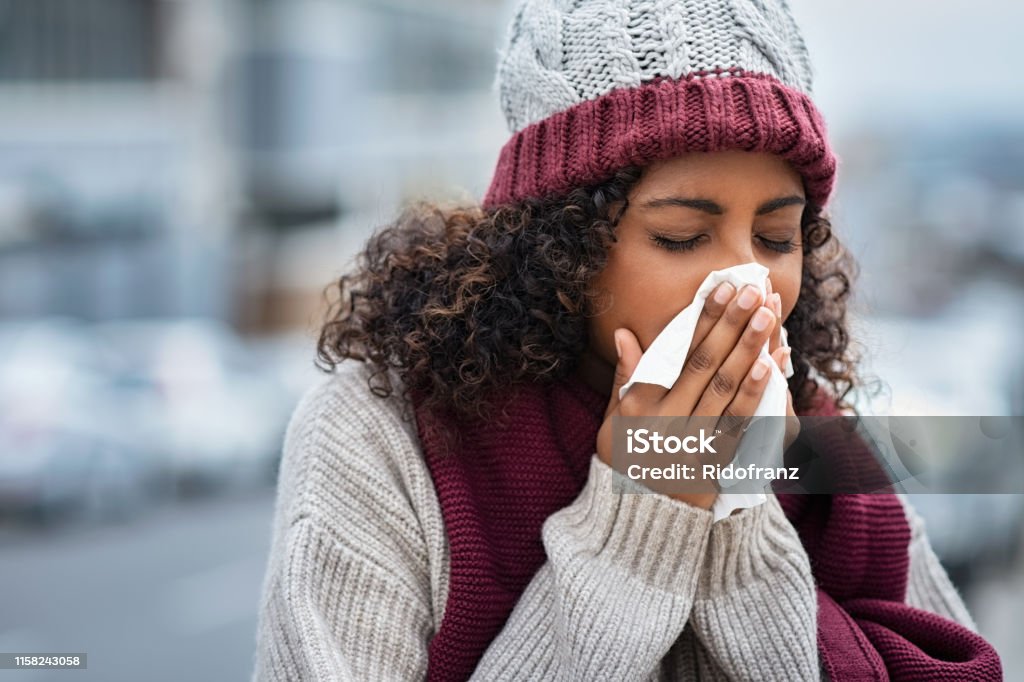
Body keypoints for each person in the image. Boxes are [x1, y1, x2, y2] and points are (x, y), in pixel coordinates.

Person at [252, 1, 1003, 680]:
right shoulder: (381, 436)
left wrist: (736, 513)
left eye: (777, 236)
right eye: (682, 237)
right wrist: (641, 521)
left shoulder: (822, 443)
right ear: (561, 249)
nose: (748, 285)